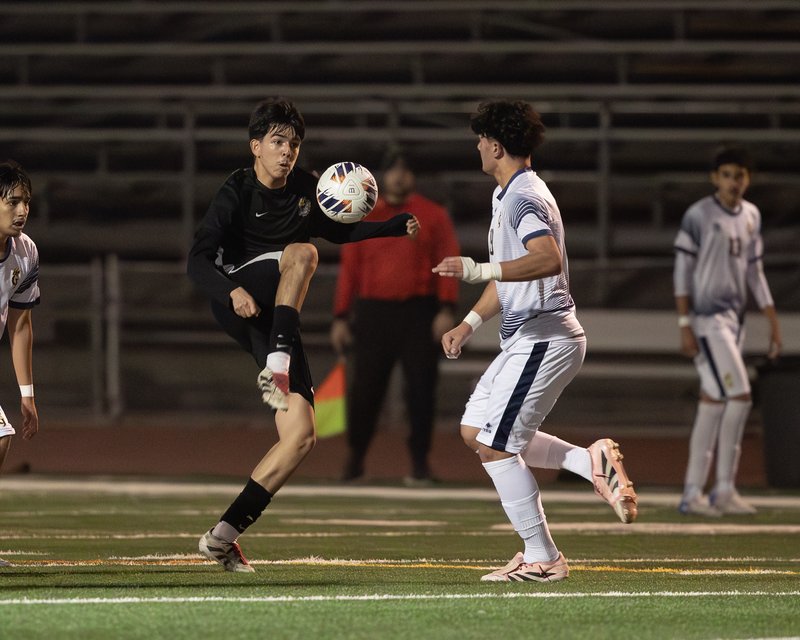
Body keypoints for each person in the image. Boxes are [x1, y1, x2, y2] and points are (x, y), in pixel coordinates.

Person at [187, 98, 419, 572]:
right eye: (277, 142)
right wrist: (230, 291)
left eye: (293, 143)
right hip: (241, 295)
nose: (287, 151)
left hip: (275, 320)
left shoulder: (307, 189)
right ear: (255, 146)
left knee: (301, 436)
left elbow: (341, 231)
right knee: (302, 252)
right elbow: (196, 258)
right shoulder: (237, 189)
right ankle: (278, 363)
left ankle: (222, 537)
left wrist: (393, 226)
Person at [433, 100, 637, 583]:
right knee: (475, 433)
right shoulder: (508, 194)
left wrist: (480, 268)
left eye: (481, 139)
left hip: (544, 336)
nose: (478, 147)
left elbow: (543, 259)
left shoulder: (525, 197)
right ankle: (590, 463)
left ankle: (543, 557)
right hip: (527, 337)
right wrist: (468, 324)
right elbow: (511, 277)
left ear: (496, 144)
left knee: (499, 446)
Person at [330, 148, 460, 484]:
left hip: (419, 312)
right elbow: (350, 270)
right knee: (365, 391)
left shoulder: (432, 216)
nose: (399, 176)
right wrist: (341, 316)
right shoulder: (363, 214)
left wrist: (447, 310)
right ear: (382, 175)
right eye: (393, 169)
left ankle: (419, 463)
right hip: (374, 314)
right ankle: (354, 459)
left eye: (405, 169)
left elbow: (448, 262)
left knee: (421, 390)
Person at [674, 145, 781, 517]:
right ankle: (721, 487)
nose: (734, 182)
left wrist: (771, 318)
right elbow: (682, 271)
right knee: (741, 396)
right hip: (707, 319)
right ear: (715, 178)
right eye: (728, 175)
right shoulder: (699, 215)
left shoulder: (751, 215)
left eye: (740, 175)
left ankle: (695, 492)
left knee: (713, 400)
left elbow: (754, 270)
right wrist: (685, 323)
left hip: (735, 320)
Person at [0, 161, 41, 567]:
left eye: (26, 201)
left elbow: (21, 324)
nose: (22, 210)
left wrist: (27, 395)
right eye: (12, 201)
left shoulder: (25, 252)